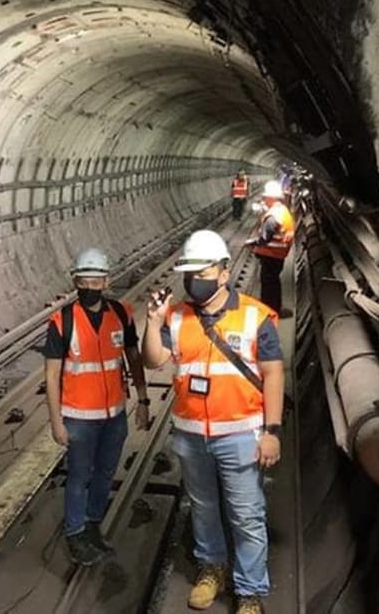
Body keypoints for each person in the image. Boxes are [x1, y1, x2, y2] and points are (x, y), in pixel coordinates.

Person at [142, 230, 284, 614]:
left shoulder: (255, 316)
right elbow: (153, 361)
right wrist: (152, 323)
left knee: (246, 514)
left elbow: (273, 374)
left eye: (201, 272)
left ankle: (250, 591)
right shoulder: (176, 317)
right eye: (188, 273)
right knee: (203, 507)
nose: (193, 281)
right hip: (191, 435)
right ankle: (212, 568)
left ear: (223, 273)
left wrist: (272, 432)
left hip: (239, 433)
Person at [43, 248, 150, 566]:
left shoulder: (122, 313)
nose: (91, 285)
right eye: (84, 280)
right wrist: (56, 422)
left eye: (97, 279)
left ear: (107, 281)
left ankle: (91, 525)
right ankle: (75, 532)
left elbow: (134, 357)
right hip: (78, 417)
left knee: (105, 473)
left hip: (114, 414)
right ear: (75, 281)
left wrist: (143, 400)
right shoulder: (62, 321)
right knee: (78, 476)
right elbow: (51, 375)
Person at [246, 181, 295, 315]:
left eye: (265, 197)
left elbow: (264, 238)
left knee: (268, 284)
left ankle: (268, 310)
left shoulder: (273, 216)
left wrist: (252, 243)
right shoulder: (283, 210)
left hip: (271, 255)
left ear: (272, 198)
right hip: (278, 255)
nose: (264, 199)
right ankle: (275, 308)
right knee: (274, 282)